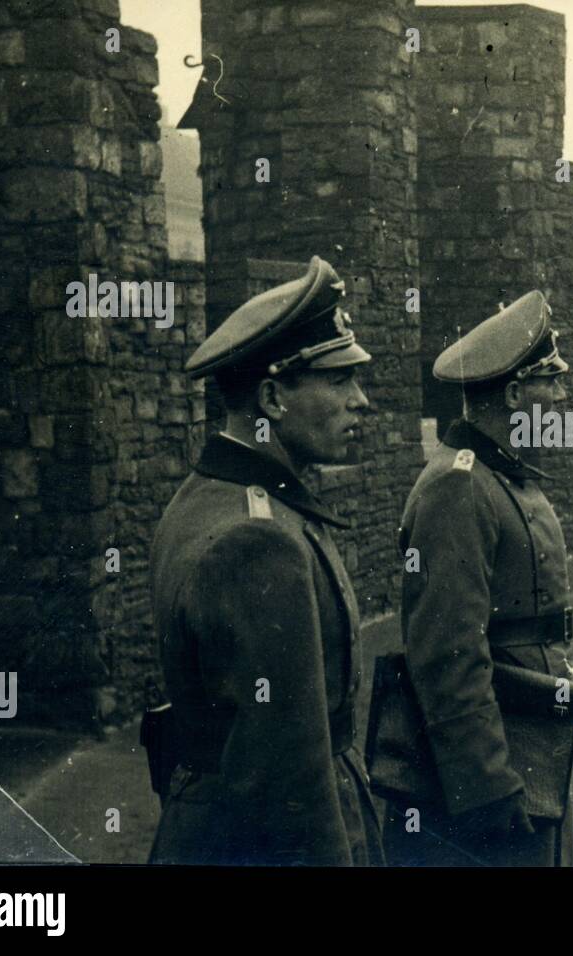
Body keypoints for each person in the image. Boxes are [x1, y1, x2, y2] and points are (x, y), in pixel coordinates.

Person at [146, 256, 382, 865]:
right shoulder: (260, 541)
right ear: (273, 398)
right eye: (339, 381)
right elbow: (289, 781)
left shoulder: (203, 498)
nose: (363, 403)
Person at [382, 290, 573, 866]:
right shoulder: (459, 486)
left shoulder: (499, 475)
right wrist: (486, 781)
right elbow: (447, 651)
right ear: (515, 395)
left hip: (527, 738)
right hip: (491, 769)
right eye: (550, 382)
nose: (562, 397)